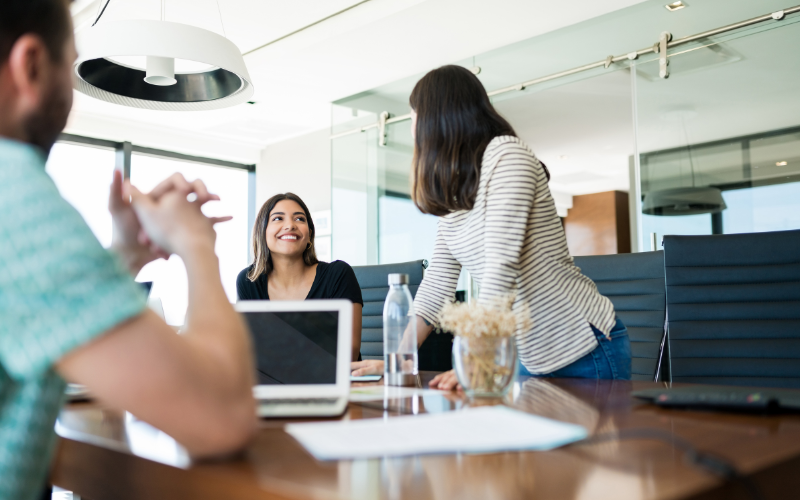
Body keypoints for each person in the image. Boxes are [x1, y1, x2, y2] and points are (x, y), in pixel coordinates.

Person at [0, 2, 257, 499]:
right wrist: (196, 245)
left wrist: (123, 255)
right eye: (67, 68)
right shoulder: (12, 192)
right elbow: (223, 418)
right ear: (31, 65)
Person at [351, 65, 631, 387]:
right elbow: (437, 284)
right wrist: (398, 362)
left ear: (437, 117)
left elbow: (502, 266)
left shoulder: (507, 155)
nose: (412, 126)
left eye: (415, 114)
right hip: (527, 352)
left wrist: (476, 358)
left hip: (580, 345)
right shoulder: (456, 192)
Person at [237, 193, 364, 361]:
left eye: (299, 219)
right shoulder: (249, 281)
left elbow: (349, 352)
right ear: (262, 232)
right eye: (277, 219)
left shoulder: (338, 274)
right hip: (273, 385)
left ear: (309, 235)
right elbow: (248, 352)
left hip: (332, 384)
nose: (290, 225)